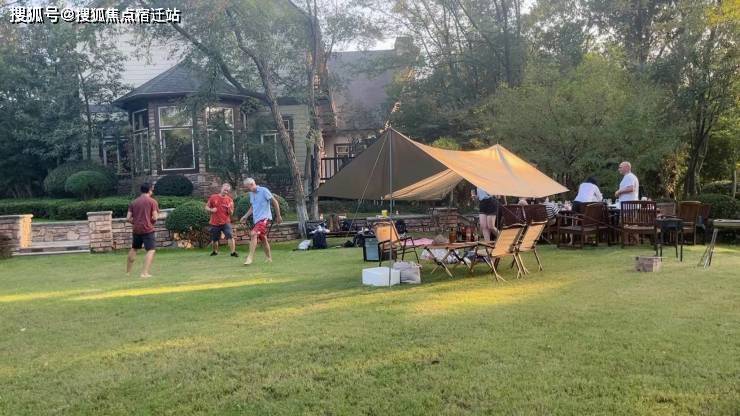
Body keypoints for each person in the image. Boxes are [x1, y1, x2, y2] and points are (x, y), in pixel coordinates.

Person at [240, 178, 282, 265]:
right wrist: (245, 216)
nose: (247, 189)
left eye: (247, 187)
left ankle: (250, 258)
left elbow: (275, 202)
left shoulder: (264, 190)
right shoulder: (251, 194)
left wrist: (278, 216)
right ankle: (269, 258)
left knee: (253, 234)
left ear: (252, 184)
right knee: (263, 239)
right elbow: (253, 207)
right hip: (257, 220)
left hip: (265, 218)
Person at [126, 182, 159, 278]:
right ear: (149, 190)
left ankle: (128, 272)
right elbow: (155, 217)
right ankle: (144, 273)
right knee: (151, 250)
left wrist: (135, 222)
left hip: (136, 229)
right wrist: (150, 222)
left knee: (134, 248)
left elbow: (128, 218)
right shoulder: (152, 202)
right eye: (152, 189)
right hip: (147, 229)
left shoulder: (134, 202)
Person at [206, 183, 237, 257]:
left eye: (227, 191)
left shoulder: (229, 200)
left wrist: (229, 209)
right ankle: (215, 252)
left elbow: (231, 213)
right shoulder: (213, 197)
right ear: (221, 188)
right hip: (215, 222)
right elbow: (206, 207)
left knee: (230, 236)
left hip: (226, 222)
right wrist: (211, 210)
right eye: (224, 190)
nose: (225, 192)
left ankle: (233, 252)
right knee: (215, 239)